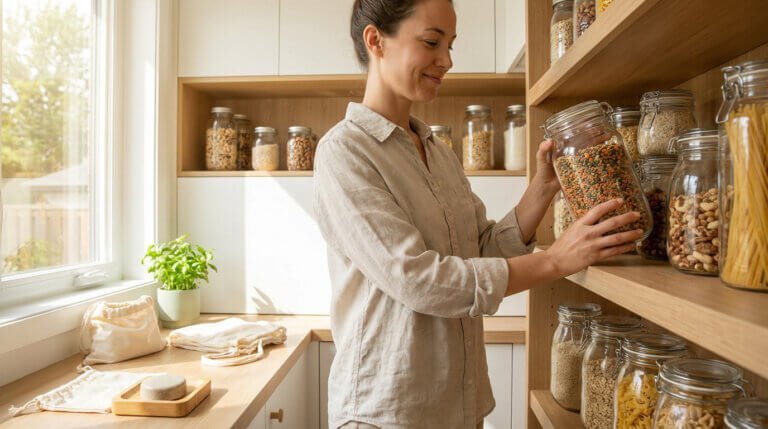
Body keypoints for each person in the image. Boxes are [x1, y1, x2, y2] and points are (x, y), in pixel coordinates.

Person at [313, 0, 643, 427]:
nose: (446, 60)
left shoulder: (438, 152)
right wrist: (556, 260)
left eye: (450, 45)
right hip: (388, 412)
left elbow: (479, 247)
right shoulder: (344, 151)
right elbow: (420, 280)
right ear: (376, 40)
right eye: (432, 42)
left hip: (459, 404)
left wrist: (541, 189)